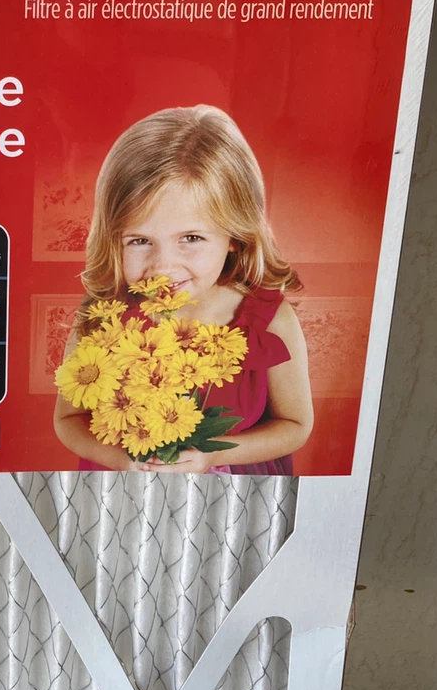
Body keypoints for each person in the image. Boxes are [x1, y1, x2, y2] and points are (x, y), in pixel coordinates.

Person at [53, 105, 313, 475]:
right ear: (112, 240)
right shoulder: (104, 316)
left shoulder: (270, 319)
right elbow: (69, 419)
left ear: (235, 236)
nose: (163, 266)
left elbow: (295, 426)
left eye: (191, 238)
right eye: (140, 240)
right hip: (123, 490)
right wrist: (123, 460)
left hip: (234, 495)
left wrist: (213, 456)